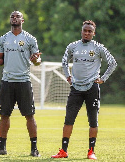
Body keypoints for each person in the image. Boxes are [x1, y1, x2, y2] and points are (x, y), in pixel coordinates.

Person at [51, 20, 117, 160]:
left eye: (90, 31)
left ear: (94, 33)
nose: (87, 33)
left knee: (93, 121)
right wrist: (68, 76)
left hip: (92, 88)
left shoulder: (98, 47)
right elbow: (64, 61)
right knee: (68, 120)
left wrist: (103, 78)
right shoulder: (73, 46)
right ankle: (63, 151)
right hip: (75, 88)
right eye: (85, 30)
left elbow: (112, 63)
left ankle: (91, 151)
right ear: (81, 31)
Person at [0, 11, 41, 157]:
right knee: (4, 115)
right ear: (10, 20)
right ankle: (2, 148)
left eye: (17, 16)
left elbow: (37, 61)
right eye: (12, 16)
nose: (14, 18)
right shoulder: (3, 39)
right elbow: (0, 61)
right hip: (7, 82)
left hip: (23, 81)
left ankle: (34, 149)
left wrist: (35, 60)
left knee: (29, 115)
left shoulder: (30, 39)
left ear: (22, 20)